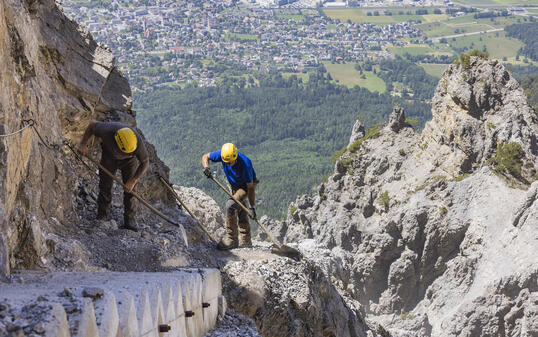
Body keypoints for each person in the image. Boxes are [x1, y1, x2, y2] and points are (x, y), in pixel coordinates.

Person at [79, 121, 149, 231]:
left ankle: (129, 220)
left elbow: (145, 162)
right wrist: (83, 143)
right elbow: (91, 125)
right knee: (105, 185)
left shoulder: (137, 142)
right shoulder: (107, 130)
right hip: (109, 157)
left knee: (130, 191)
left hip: (129, 162)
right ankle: (103, 215)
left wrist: (133, 180)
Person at [202, 143, 258, 250]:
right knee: (240, 207)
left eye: (230, 162)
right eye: (226, 162)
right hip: (235, 185)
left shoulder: (245, 164)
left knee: (231, 205)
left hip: (246, 186)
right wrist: (207, 168)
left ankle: (232, 239)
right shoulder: (224, 155)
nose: (229, 164)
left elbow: (250, 188)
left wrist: (252, 207)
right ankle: (246, 240)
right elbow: (205, 157)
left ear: (235, 156)